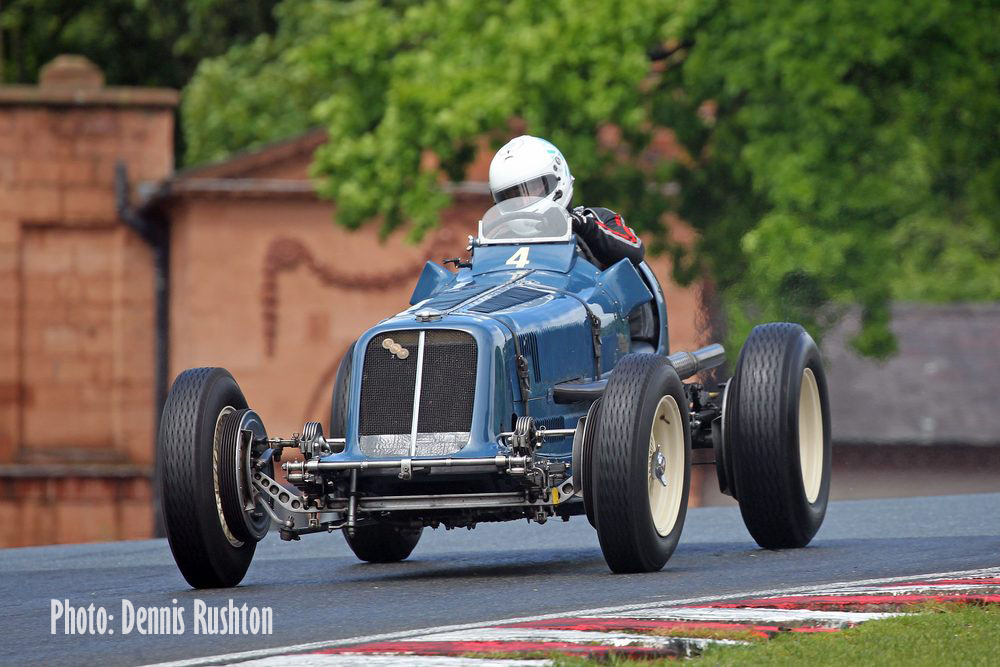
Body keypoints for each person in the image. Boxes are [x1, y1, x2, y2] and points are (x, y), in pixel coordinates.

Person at [488, 135, 644, 268]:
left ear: (558, 177)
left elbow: (635, 252)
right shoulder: (498, 243)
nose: (523, 201)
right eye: (512, 197)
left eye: (533, 189)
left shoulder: (595, 219)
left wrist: (580, 225)